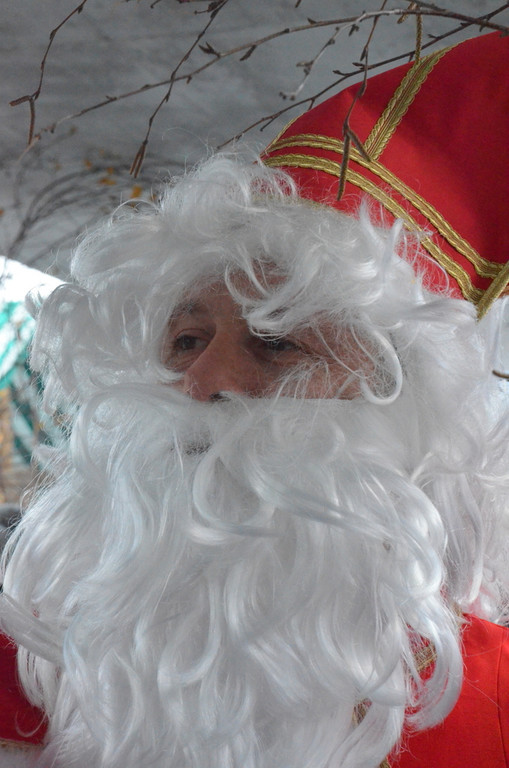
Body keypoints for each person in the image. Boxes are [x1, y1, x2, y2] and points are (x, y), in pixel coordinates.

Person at [0, 31, 508, 768]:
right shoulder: (25, 659)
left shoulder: (492, 717)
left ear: (403, 406)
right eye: (185, 340)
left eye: (275, 342)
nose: (202, 381)